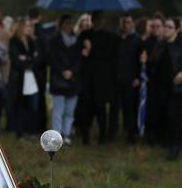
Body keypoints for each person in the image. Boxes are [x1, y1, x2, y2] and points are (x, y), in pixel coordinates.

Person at [148, 18, 182, 160]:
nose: (166, 29)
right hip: (162, 86)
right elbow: (153, 63)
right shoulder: (160, 44)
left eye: (169, 27)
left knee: (174, 115)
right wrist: (147, 61)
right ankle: (168, 141)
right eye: (165, 26)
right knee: (166, 115)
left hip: (179, 86)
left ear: (176, 29)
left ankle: (175, 148)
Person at [76, 11, 118, 145]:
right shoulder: (84, 35)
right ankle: (85, 136)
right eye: (96, 19)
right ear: (93, 21)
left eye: (101, 20)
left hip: (102, 79)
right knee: (86, 108)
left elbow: (108, 55)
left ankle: (102, 136)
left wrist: (91, 50)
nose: (99, 22)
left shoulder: (109, 37)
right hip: (87, 78)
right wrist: (84, 51)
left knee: (101, 109)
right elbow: (78, 53)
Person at [48, 14, 82, 145]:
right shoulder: (54, 40)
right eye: (66, 23)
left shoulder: (77, 41)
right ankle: (57, 136)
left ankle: (67, 134)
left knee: (69, 111)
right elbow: (52, 59)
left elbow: (79, 60)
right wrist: (63, 71)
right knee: (58, 110)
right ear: (61, 24)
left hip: (73, 80)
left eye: (70, 23)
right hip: (59, 80)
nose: (69, 25)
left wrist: (72, 71)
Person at [9, 17, 40, 139]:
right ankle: (20, 133)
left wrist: (26, 59)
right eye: (27, 26)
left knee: (33, 106)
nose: (29, 28)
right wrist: (29, 59)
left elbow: (38, 58)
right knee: (20, 106)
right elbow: (15, 60)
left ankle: (32, 131)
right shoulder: (14, 41)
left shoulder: (33, 41)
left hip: (32, 79)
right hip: (19, 79)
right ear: (21, 27)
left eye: (30, 26)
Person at [114, 14, 142, 143]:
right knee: (118, 107)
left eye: (129, 22)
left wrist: (138, 77)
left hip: (131, 79)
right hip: (118, 78)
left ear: (133, 24)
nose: (126, 25)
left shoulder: (137, 39)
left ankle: (131, 133)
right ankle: (116, 130)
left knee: (131, 107)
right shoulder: (118, 38)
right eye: (124, 22)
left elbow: (139, 61)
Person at [28, 7, 50, 132]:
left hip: (35, 70)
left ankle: (35, 126)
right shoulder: (43, 32)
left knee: (34, 99)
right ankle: (40, 125)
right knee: (40, 99)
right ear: (39, 17)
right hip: (40, 70)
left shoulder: (35, 32)